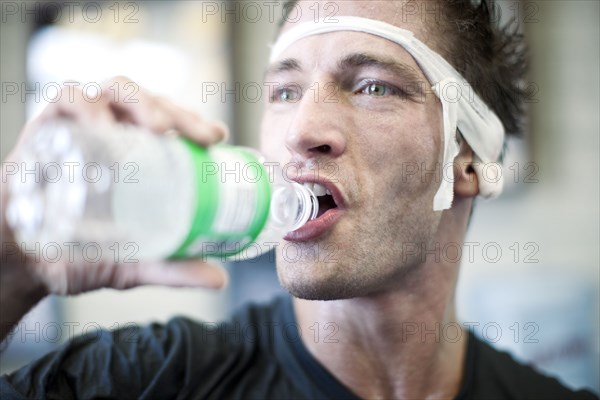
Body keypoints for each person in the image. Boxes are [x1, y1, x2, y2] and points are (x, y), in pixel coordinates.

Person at [0, 0, 597, 399]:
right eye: (285, 91)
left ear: (469, 161)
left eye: (371, 86)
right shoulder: (149, 378)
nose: (301, 131)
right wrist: (10, 268)